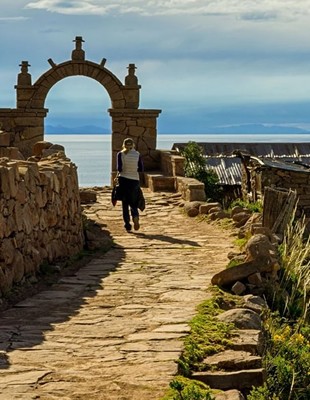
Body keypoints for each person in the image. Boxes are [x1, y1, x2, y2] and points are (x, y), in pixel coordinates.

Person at [116, 138, 144, 232]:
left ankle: (127, 224)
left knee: (125, 203)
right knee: (134, 202)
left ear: (124, 145)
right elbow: (141, 168)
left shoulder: (120, 154)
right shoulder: (137, 154)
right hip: (134, 180)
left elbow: (119, 168)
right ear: (133, 145)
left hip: (123, 180)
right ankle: (135, 216)